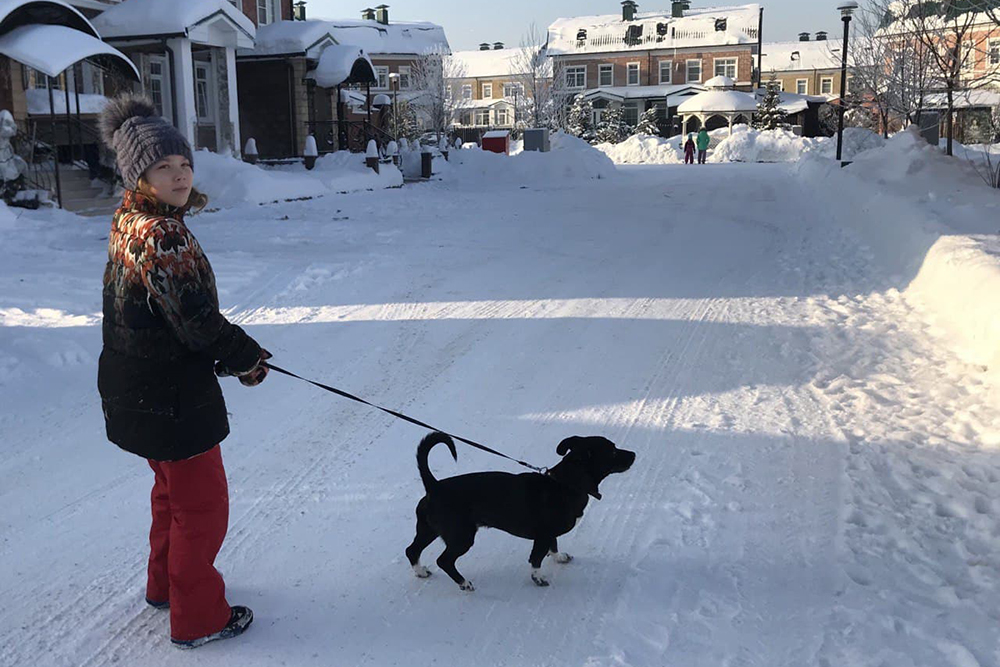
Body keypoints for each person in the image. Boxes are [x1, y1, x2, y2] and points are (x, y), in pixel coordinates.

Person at [97, 94, 270, 649]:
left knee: (171, 496)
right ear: (138, 175)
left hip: (136, 387)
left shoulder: (129, 220)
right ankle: (199, 618)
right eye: (162, 167)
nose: (178, 174)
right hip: (171, 395)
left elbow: (164, 315)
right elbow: (195, 321)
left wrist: (227, 351)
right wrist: (244, 355)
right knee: (202, 506)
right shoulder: (162, 234)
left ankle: (166, 587)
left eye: (183, 164)